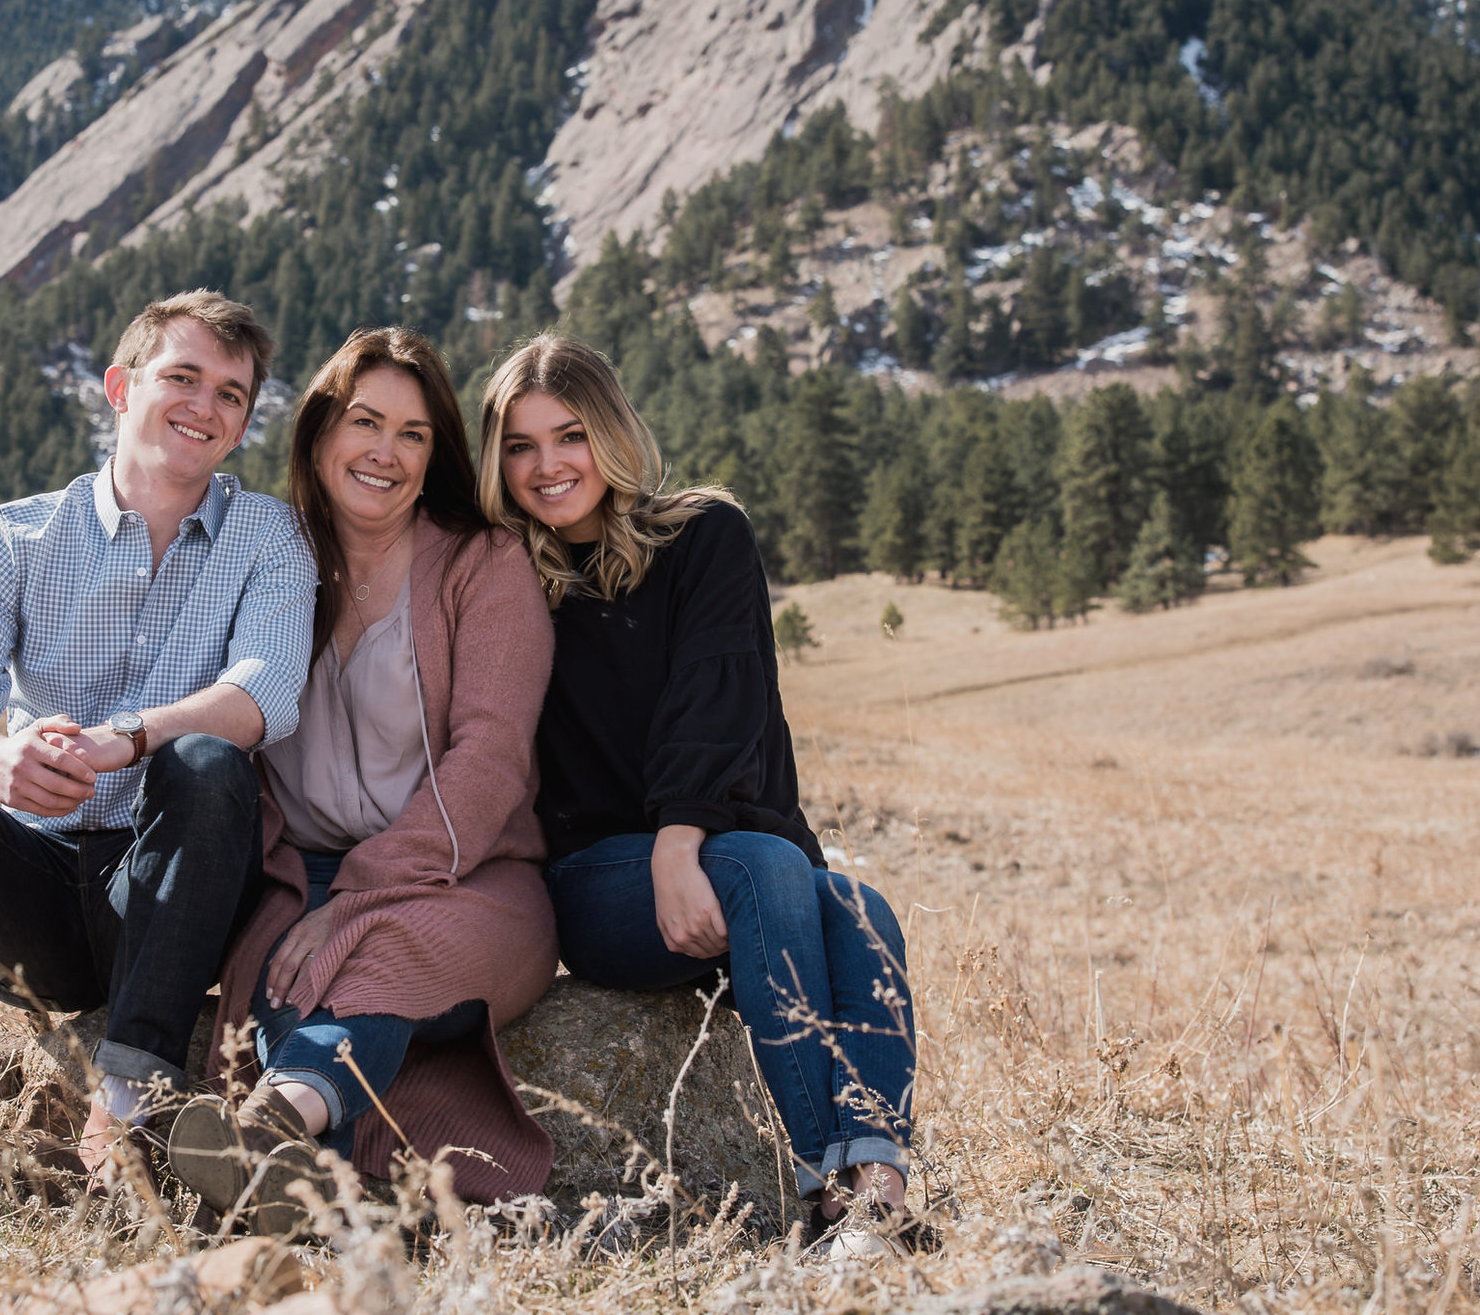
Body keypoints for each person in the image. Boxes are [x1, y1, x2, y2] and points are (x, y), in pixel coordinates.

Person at [0, 290, 317, 1193]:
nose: (205, 406)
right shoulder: (14, 535)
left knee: (206, 762)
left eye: (231, 394)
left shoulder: (268, 535)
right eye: (183, 377)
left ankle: (127, 1121)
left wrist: (128, 738)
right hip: (31, 892)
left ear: (243, 421)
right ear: (121, 386)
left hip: (173, 884)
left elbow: (265, 691)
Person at [478, 333, 935, 1258]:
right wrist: (674, 858)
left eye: (568, 435)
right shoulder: (501, 573)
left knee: (862, 906)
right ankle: (823, 1187)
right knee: (765, 865)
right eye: (519, 446)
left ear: (609, 431)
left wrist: (680, 841)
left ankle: (879, 1190)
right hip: (597, 884)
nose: (547, 465)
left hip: (710, 853)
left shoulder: (703, 535)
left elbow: (718, 695)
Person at [167, 327, 559, 1234]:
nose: (385, 452)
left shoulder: (483, 565)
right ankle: (315, 1195)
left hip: (473, 876)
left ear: (437, 456)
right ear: (317, 436)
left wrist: (356, 892)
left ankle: (274, 1122)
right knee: (281, 970)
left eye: (414, 434)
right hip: (295, 868)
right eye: (365, 421)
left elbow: (492, 757)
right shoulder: (274, 558)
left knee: (376, 952)